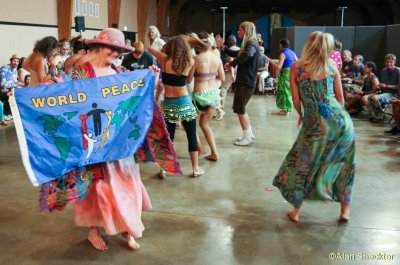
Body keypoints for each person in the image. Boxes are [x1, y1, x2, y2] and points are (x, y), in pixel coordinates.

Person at [36, 28, 178, 251]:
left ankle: (127, 228)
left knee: (126, 185)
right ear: (100, 46)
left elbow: (141, 101)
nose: (116, 54)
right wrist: (28, 93)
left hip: (119, 143)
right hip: (91, 144)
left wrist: (154, 80)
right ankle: (94, 232)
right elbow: (54, 87)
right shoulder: (80, 73)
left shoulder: (121, 71)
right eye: (113, 48)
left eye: (120, 50)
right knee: (96, 189)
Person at [273, 31, 355, 223]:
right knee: (344, 166)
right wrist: (336, 117)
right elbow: (340, 99)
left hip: (315, 121)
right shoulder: (332, 66)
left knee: (302, 164)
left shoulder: (296, 68)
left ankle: (295, 211)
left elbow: (295, 99)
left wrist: (302, 115)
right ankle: (344, 211)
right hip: (341, 122)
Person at [149, 35, 204, 177]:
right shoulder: (190, 61)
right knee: (191, 136)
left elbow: (149, 48)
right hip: (184, 101)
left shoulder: (165, 59)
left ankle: (164, 169)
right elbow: (190, 79)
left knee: (169, 138)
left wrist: (165, 51)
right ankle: (195, 169)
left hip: (169, 103)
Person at [187, 33, 225, 161]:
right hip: (214, 96)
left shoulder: (196, 59)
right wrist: (213, 83)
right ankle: (214, 153)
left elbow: (188, 80)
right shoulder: (217, 58)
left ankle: (200, 148)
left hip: (200, 96)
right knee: (204, 125)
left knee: (187, 122)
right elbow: (222, 78)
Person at [222, 21, 260, 146]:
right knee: (240, 108)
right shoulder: (248, 44)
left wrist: (232, 63)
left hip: (246, 81)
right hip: (245, 81)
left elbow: (247, 55)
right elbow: (236, 54)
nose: (238, 32)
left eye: (240, 30)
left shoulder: (252, 43)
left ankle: (247, 137)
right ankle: (248, 134)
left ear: (246, 31)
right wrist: (224, 48)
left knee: (240, 109)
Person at [267, 38, 298, 115]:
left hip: (285, 74)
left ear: (281, 45)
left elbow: (279, 67)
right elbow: (297, 63)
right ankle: (286, 108)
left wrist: (270, 61)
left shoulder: (283, 54)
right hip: (292, 73)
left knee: (285, 91)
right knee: (288, 91)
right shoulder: (292, 53)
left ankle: (286, 109)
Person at [0, 54, 24, 120]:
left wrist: (21, 84)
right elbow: (3, 84)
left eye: (17, 62)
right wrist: (16, 85)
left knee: (20, 92)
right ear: (10, 61)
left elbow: (14, 82)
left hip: (8, 90)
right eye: (14, 61)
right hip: (1, 91)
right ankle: (6, 114)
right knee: (10, 95)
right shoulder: (4, 68)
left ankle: (10, 113)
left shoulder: (14, 70)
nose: (15, 63)